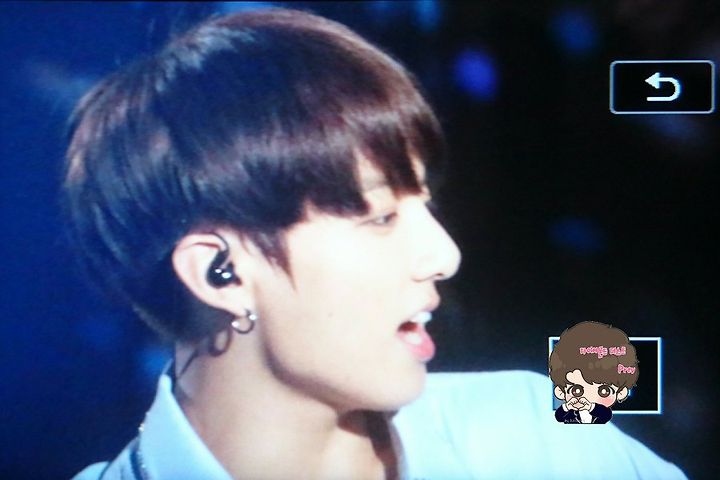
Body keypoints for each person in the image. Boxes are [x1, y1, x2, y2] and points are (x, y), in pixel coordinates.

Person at [66, 8, 686, 479]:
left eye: (426, 204)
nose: (444, 256)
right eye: (381, 216)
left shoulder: (540, 438)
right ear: (220, 272)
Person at [550, 321, 639, 424]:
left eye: (604, 391)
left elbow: (605, 415)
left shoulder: (605, 415)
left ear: (621, 393)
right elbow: (559, 417)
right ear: (560, 392)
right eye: (577, 390)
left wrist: (590, 407)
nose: (587, 398)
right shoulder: (567, 411)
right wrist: (567, 406)